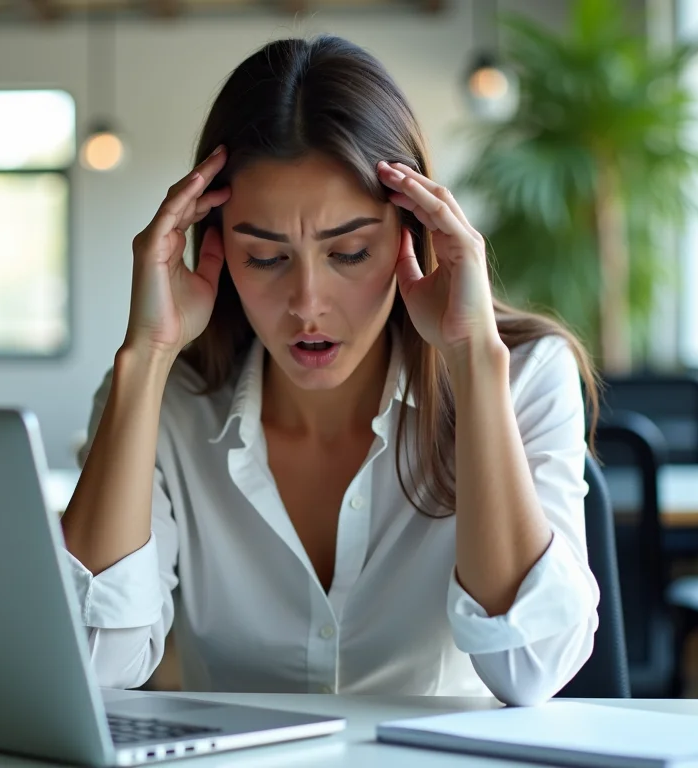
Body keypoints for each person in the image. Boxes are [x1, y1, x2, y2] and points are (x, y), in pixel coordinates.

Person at [61, 35, 600, 706]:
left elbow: (532, 668)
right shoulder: (162, 398)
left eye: (348, 252)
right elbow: (95, 662)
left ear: (416, 232)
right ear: (217, 251)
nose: (307, 304)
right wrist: (143, 359)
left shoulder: (521, 375)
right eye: (265, 258)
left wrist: (472, 360)